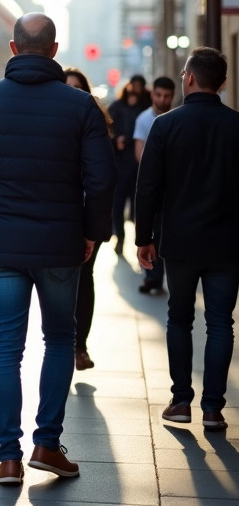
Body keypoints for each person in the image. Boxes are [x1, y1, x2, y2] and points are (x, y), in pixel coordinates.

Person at [0, 14, 114, 485]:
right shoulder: (81, 106)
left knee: (6, 346)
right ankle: (46, 443)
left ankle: (8, 457)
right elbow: (102, 181)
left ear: (15, 49)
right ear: (54, 50)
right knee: (59, 339)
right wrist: (91, 232)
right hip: (60, 244)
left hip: (2, 245)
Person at [135, 47, 239, 432]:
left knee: (179, 319)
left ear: (190, 78)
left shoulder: (165, 126)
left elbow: (147, 189)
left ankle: (181, 401)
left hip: (178, 242)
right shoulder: (236, 125)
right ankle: (213, 408)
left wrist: (143, 237)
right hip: (228, 244)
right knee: (220, 324)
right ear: (223, 83)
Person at [62, 67, 114, 372]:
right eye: (66, 86)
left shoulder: (95, 121)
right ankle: (64, 343)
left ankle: (79, 346)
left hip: (90, 216)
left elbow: (104, 178)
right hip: (61, 217)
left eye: (78, 87)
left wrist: (94, 228)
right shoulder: (54, 119)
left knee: (84, 279)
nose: (73, 92)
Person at [132, 76, 175, 296]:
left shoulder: (177, 119)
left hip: (173, 189)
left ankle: (157, 277)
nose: (162, 99)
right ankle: (152, 277)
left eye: (167, 96)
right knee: (151, 232)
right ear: (153, 94)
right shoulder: (143, 119)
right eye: (159, 95)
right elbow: (139, 154)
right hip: (151, 185)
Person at [106, 81, 142, 252]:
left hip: (137, 166)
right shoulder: (116, 107)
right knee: (118, 205)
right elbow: (107, 129)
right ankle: (119, 238)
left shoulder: (143, 109)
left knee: (137, 207)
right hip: (119, 165)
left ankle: (140, 241)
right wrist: (116, 140)